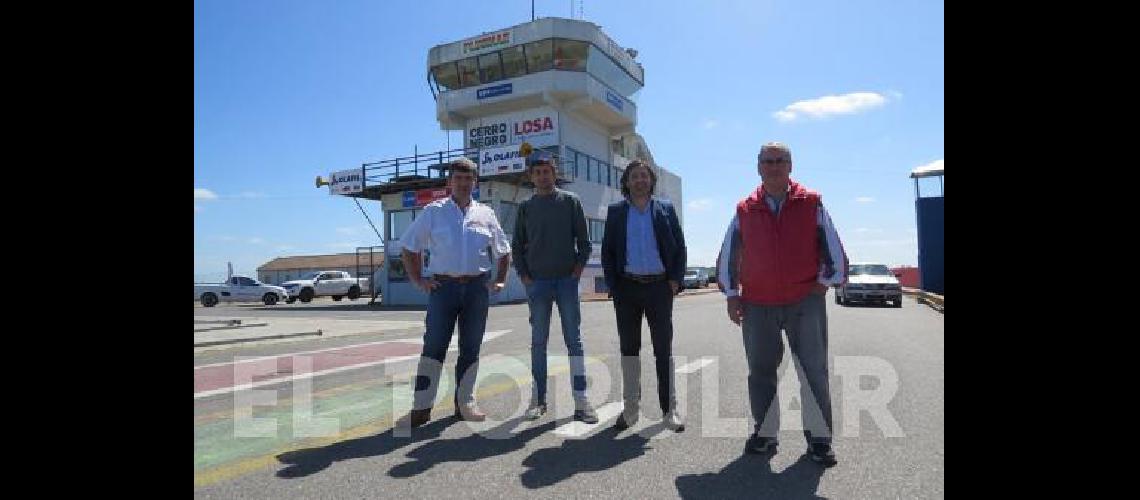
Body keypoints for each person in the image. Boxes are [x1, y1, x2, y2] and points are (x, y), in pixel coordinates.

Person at [716, 142, 846, 467]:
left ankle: (819, 439)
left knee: (812, 371)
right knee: (761, 372)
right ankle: (766, 433)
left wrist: (822, 284)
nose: (774, 166)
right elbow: (728, 256)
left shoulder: (811, 203)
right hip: (758, 305)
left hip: (804, 303)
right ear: (758, 167)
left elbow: (837, 255)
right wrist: (732, 294)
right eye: (768, 161)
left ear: (791, 166)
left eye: (780, 161)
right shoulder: (744, 210)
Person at [398, 157, 512, 428]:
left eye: (468, 178)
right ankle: (422, 407)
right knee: (434, 347)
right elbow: (409, 247)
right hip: (443, 288)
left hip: (477, 289)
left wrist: (500, 281)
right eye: (458, 178)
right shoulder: (433, 212)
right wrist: (418, 280)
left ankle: (465, 404)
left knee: (470, 349)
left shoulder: (486, 214)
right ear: (449, 182)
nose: (463, 183)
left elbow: (504, 251)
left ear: (475, 182)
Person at [512, 149, 598, 424]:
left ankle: (582, 401)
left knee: (574, 342)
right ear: (531, 176)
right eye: (537, 172)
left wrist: (575, 274)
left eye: (546, 171)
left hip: (566, 283)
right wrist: (525, 277)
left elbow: (584, 244)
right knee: (538, 343)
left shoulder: (571, 202)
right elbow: (517, 247)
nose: (542, 176)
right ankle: (538, 400)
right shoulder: (525, 207)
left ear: (554, 173)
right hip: (537, 285)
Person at [601, 159, 687, 432]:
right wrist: (614, 287)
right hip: (626, 289)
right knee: (629, 350)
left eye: (644, 176)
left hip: (659, 288)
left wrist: (675, 280)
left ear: (651, 181)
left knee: (664, 350)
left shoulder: (665, 209)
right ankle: (630, 410)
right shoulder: (616, 212)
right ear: (626, 182)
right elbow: (608, 252)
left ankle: (669, 410)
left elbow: (679, 247)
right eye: (634, 176)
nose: (640, 180)